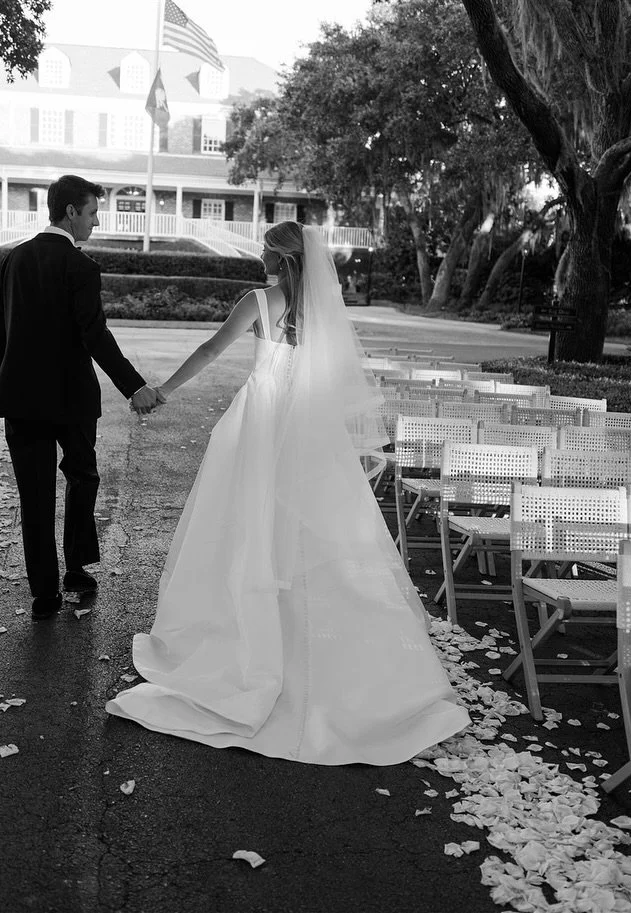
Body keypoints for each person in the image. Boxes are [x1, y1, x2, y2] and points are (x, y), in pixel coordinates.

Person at [106, 222, 469, 766]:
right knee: (312, 529)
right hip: (307, 427)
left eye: (265, 249)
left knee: (248, 524)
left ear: (281, 258)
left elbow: (210, 351)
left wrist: (160, 391)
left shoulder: (258, 301)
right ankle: (330, 643)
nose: (258, 255)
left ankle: (248, 632)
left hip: (262, 423)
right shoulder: (322, 310)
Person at [0, 174, 164, 617]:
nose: (96, 221)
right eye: (91, 212)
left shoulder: (12, 260)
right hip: (71, 400)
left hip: (22, 400)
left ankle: (44, 593)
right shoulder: (80, 266)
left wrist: (7, 381)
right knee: (82, 478)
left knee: (35, 494)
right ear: (70, 211)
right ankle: (76, 569)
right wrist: (135, 386)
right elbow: (94, 335)